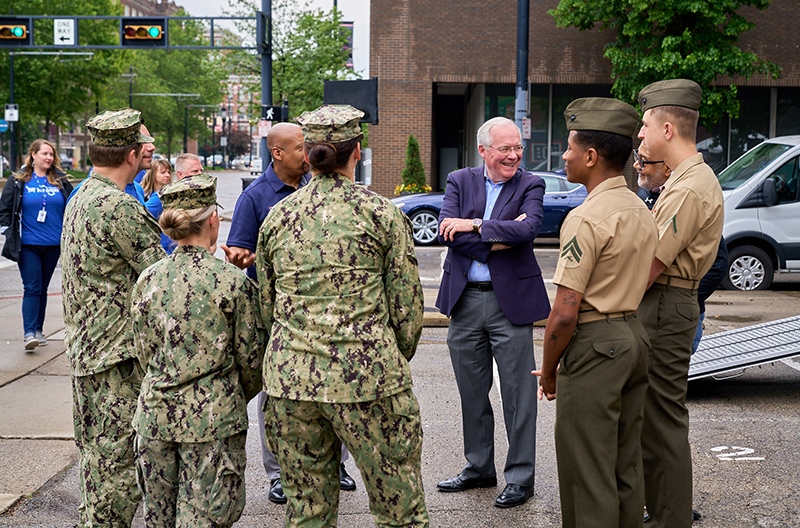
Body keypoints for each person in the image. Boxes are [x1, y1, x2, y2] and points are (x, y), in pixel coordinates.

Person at [255, 105, 429, 527]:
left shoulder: (278, 217)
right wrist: (386, 356)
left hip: (291, 383)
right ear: (358, 151)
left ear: (310, 153)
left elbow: (266, 306)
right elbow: (407, 310)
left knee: (307, 513)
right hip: (367, 379)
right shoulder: (382, 214)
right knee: (398, 509)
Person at [533, 97, 658, 527]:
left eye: (569, 148)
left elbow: (565, 312)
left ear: (590, 156)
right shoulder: (641, 209)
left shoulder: (585, 217)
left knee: (587, 472)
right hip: (633, 336)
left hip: (595, 346)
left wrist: (549, 372)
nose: (563, 156)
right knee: (625, 465)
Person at [221, 122, 356, 505]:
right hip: (277, 317)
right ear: (277, 153)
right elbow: (240, 252)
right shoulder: (256, 197)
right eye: (299, 147)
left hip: (326, 313)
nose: (307, 152)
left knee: (333, 390)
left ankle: (335, 464)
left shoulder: (320, 188)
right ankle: (279, 473)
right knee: (276, 397)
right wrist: (241, 258)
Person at [131, 173, 266, 527]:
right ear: (212, 220)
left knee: (157, 518)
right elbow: (253, 362)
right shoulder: (232, 282)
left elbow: (144, 352)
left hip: (155, 418)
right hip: (213, 421)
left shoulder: (147, 279)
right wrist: (228, 395)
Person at [435, 116, 550, 508]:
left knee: (519, 395)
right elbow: (443, 233)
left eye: (518, 148)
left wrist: (472, 225)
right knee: (472, 391)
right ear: (483, 150)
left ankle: (520, 477)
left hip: (511, 302)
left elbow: (529, 230)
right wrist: (499, 234)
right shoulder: (459, 180)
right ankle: (479, 467)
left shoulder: (531, 183)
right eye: (505, 149)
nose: (514, 155)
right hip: (464, 299)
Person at [61, 108, 166, 527]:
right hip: (116, 361)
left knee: (96, 463)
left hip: (87, 353)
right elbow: (162, 279)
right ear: (131, 154)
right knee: (118, 473)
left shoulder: (81, 197)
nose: (151, 147)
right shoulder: (117, 207)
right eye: (145, 142)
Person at [636, 79, 724, 528]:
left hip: (667, 303)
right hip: (667, 301)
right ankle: (664, 509)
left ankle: (670, 518)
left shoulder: (689, 186)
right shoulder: (683, 179)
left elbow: (649, 264)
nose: (640, 136)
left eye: (646, 125)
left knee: (663, 418)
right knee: (654, 417)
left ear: (668, 129)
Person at [632, 144, 728, 357]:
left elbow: (719, 262)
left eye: (644, 161)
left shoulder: (687, 194)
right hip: (650, 309)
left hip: (674, 308)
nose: (636, 165)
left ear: (667, 167)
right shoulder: (644, 191)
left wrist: (684, 295)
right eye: (636, 157)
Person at [0, 139, 74, 350]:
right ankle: (29, 332)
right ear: (33, 155)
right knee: (32, 286)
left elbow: (71, 204)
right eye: (45, 154)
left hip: (54, 244)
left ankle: (39, 331)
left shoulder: (59, 179)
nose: (49, 158)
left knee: (42, 287)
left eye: (51, 154)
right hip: (28, 244)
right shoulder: (18, 180)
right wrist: (7, 230)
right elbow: (4, 209)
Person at [145, 153, 204, 253]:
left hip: (195, 258)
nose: (200, 174)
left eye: (201, 170)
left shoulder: (202, 195)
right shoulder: (164, 197)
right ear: (180, 174)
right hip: (171, 258)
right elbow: (139, 221)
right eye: (195, 171)